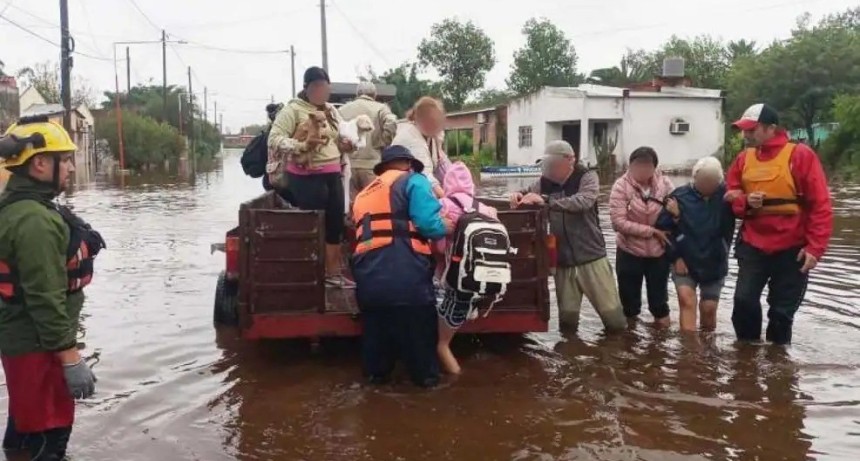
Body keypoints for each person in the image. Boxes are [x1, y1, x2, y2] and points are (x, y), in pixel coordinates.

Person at [0, 116, 104, 460]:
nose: (72, 167)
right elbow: (44, 298)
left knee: (23, 431)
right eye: (66, 159)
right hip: (37, 346)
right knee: (49, 437)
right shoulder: (34, 221)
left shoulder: (20, 208)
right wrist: (70, 358)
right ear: (41, 164)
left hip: (23, 341)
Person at [724, 103, 833, 345]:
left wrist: (815, 248)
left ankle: (779, 365)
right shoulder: (743, 159)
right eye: (744, 130)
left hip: (792, 248)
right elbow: (732, 195)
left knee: (781, 314)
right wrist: (745, 202)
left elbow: (820, 206)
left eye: (752, 130)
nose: (746, 135)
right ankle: (746, 359)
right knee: (743, 301)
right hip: (753, 244)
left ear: (771, 128)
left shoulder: (801, 156)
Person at [351, 145, 451, 387]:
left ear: (382, 168)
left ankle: (376, 390)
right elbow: (428, 225)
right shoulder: (414, 181)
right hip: (407, 279)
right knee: (423, 366)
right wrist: (446, 226)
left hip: (368, 283)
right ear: (408, 164)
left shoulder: (364, 194)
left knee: (377, 364)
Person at [511, 140, 627, 333]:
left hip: (591, 258)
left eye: (553, 164)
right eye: (546, 165)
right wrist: (517, 194)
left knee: (614, 321)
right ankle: (569, 358)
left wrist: (547, 201)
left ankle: (618, 356)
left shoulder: (587, 177)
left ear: (570, 161)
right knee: (567, 324)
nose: (549, 170)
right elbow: (526, 193)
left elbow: (583, 201)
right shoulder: (543, 182)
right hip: (563, 262)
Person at [267, 66, 356, 288]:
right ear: (306, 88)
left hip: (333, 175)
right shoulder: (293, 110)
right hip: (305, 177)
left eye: (324, 87)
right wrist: (301, 145)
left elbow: (337, 139)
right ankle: (311, 273)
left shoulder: (332, 112)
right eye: (315, 87)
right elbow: (274, 139)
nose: (320, 91)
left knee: (334, 225)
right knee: (314, 225)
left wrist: (345, 145)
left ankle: (333, 274)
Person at [655, 156, 736, 332]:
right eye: (703, 181)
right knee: (686, 300)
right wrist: (675, 257)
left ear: (720, 180)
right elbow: (663, 231)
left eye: (712, 182)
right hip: (685, 259)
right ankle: (689, 353)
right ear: (694, 178)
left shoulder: (728, 197)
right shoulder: (679, 197)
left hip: (714, 260)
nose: (707, 186)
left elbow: (746, 215)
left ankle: (707, 350)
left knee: (709, 309)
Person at [434, 161, 498, 375]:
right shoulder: (484, 208)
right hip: (482, 279)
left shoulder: (444, 205)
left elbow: (439, 246)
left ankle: (456, 381)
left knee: (441, 345)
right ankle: (471, 310)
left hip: (455, 281)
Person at [609, 146, 675, 326]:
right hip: (629, 251)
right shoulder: (621, 186)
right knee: (629, 306)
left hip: (658, 253)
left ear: (654, 167)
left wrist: (676, 214)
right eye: (637, 165)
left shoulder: (665, 185)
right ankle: (630, 345)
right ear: (630, 166)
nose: (642, 170)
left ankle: (661, 347)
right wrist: (652, 231)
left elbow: (677, 214)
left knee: (660, 304)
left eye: (647, 166)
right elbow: (617, 223)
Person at [338, 81, 398, 201]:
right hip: (372, 165)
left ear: (357, 94)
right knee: (372, 204)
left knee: (351, 206)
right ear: (374, 95)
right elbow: (392, 121)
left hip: (349, 165)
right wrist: (383, 141)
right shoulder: (381, 108)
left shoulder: (342, 109)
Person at [390, 96, 451, 197]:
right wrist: (447, 198)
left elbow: (443, 162)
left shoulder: (430, 136)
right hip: (400, 192)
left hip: (413, 187)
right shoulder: (411, 137)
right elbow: (424, 173)